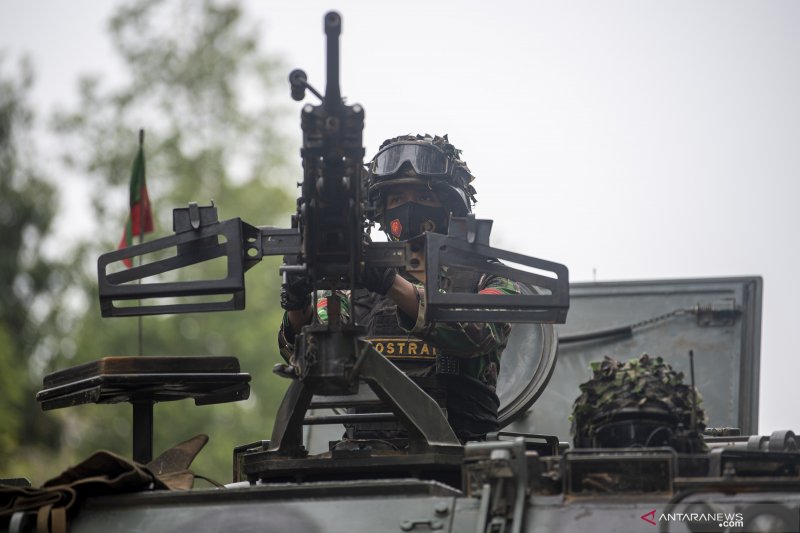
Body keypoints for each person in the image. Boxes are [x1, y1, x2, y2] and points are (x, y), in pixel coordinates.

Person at [278, 134, 518, 443]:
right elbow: (309, 352)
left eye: (424, 197)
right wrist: (297, 301)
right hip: (364, 459)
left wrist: (389, 282)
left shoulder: (488, 277)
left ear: (449, 207)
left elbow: (476, 332)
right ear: (382, 212)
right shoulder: (357, 285)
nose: (408, 207)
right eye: (396, 199)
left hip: (460, 461)